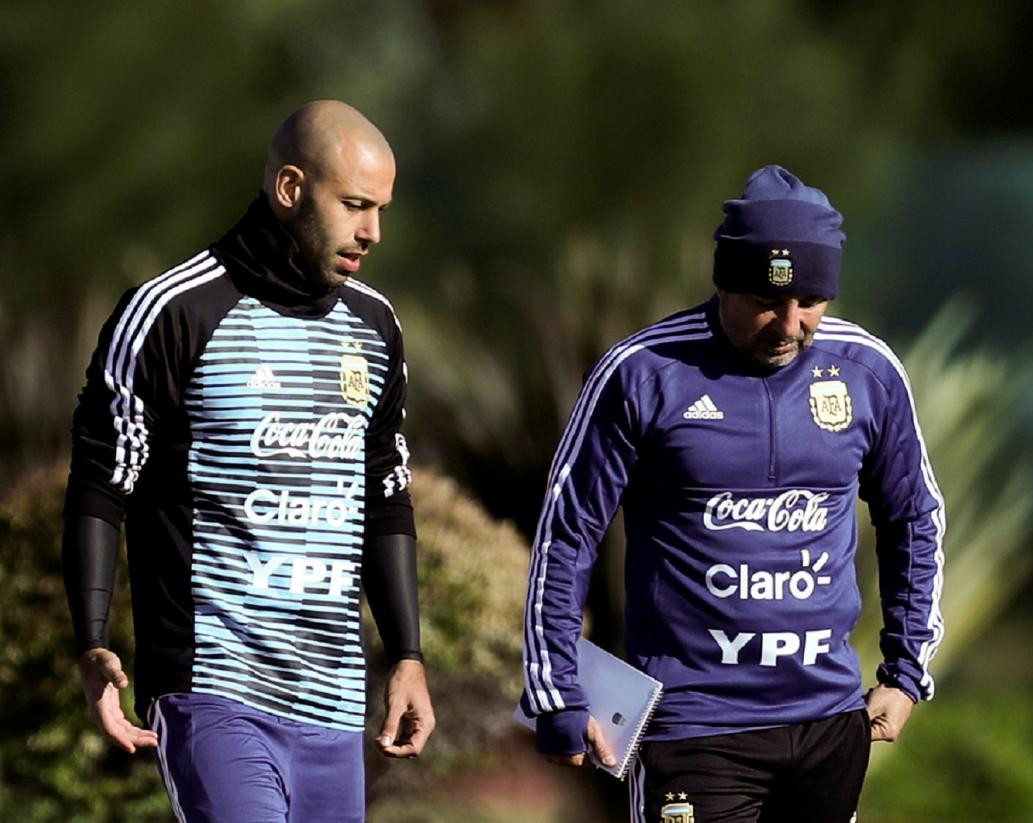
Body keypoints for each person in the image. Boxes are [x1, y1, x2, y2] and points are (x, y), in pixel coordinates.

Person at [521, 165, 945, 822]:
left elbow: (914, 515)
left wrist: (906, 668)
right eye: (766, 300)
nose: (789, 322)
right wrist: (555, 689)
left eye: (810, 301)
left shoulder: (868, 372)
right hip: (693, 724)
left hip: (828, 722)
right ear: (723, 282)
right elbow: (567, 531)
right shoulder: (643, 372)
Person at [62, 100, 435, 822]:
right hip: (214, 690)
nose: (373, 232)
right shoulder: (173, 310)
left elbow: (387, 497)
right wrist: (92, 642)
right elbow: (102, 484)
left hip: (332, 704)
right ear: (290, 189)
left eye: (381, 208)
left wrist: (408, 655)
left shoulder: (375, 324)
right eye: (355, 205)